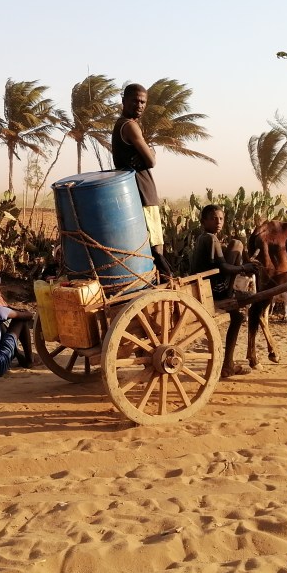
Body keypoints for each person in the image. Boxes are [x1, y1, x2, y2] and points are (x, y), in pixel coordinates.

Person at [189, 204, 259, 378]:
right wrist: (244, 267)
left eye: (221, 219)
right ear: (203, 221)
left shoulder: (203, 238)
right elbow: (224, 268)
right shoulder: (210, 238)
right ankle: (228, 364)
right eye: (213, 218)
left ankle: (228, 364)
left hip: (206, 286)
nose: (218, 222)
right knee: (237, 243)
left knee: (237, 316)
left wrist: (244, 266)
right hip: (214, 290)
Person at [112, 83, 173, 278]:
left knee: (148, 245)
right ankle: (169, 281)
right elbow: (152, 161)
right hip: (143, 192)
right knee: (156, 246)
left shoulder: (122, 125)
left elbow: (148, 156)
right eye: (135, 101)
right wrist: (150, 152)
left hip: (135, 190)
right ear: (124, 101)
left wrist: (148, 152)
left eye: (143, 102)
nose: (139, 105)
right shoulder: (129, 126)